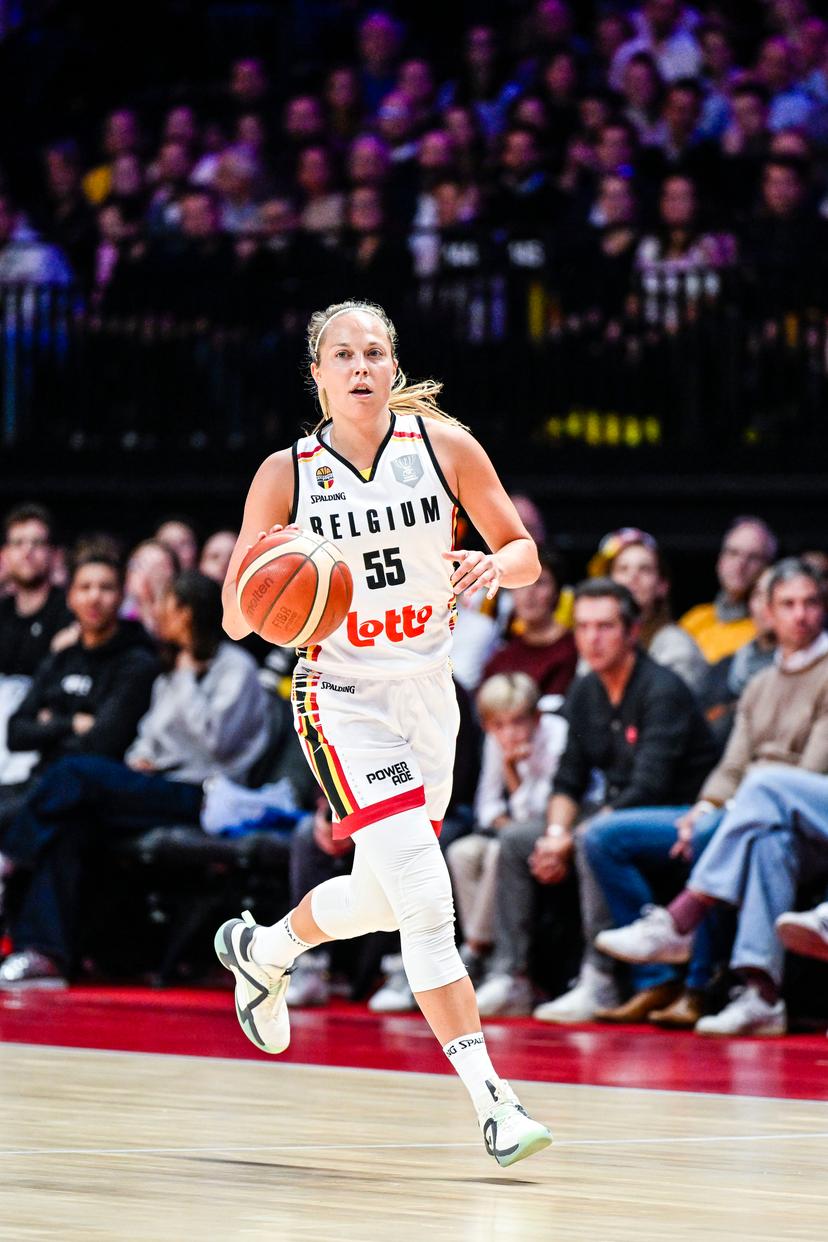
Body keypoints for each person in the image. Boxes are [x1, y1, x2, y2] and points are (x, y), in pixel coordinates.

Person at [214, 297, 552, 1167]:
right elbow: (234, 616)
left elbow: (524, 553)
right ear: (318, 375)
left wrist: (493, 564)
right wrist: (271, 588)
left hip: (428, 694)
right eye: (343, 354)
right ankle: (494, 1101)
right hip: (343, 697)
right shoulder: (286, 474)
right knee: (427, 898)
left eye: (374, 352)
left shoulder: (444, 447)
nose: (360, 366)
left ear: (393, 367)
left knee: (381, 898)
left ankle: (263, 948)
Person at [0, 571, 272, 988]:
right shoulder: (169, 671)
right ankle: (45, 955)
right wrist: (139, 757)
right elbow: (149, 735)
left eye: (165, 604)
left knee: (75, 772)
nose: (156, 614)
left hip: (206, 792)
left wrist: (187, 676)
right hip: (157, 784)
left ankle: (10, 857)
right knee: (72, 823)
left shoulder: (235, 667)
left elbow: (216, 742)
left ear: (186, 613)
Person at [595, 559, 828, 1035]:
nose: (800, 615)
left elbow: (810, 772)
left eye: (810, 603)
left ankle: (684, 926)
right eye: (788, 604)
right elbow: (731, 766)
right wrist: (705, 807)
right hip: (763, 818)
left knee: (754, 797)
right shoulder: (760, 684)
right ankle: (761, 995)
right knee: (762, 842)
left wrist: (729, 810)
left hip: (806, 814)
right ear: (767, 612)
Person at [474, 579, 717, 1021]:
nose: (592, 638)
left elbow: (650, 788)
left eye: (605, 627)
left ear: (632, 631)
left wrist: (573, 837)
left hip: (680, 815)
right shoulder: (586, 690)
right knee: (516, 841)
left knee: (594, 836)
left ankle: (599, 979)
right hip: (616, 814)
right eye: (583, 627)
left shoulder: (662, 689)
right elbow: (568, 779)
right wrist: (554, 835)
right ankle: (511, 977)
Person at [447, 672, 567, 989]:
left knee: (500, 850)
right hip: (515, 828)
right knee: (462, 852)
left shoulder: (557, 735)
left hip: (560, 827)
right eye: (498, 725)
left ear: (536, 717)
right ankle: (482, 950)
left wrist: (511, 772)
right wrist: (508, 826)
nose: (508, 733)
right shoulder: (494, 741)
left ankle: (474, 951)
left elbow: (541, 811)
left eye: (517, 722)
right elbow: (487, 808)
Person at [592, 527, 707, 694]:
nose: (633, 576)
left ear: (662, 586)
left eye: (644, 569)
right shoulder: (594, 638)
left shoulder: (677, 646)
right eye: (623, 569)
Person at [679, 517, 777, 663]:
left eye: (753, 557)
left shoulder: (769, 628)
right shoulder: (695, 619)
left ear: (767, 567)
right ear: (720, 561)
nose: (741, 564)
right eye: (733, 553)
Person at [482, 549, 577, 698]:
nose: (529, 593)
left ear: (557, 592)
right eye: (522, 583)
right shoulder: (503, 657)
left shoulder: (576, 648)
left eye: (540, 583)